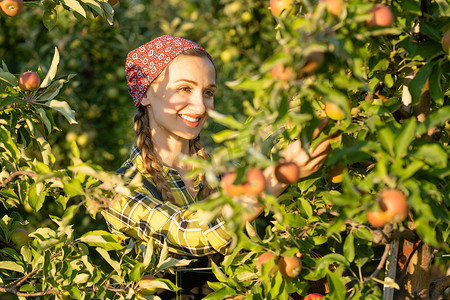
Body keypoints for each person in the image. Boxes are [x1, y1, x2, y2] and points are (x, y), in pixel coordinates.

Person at [102, 35, 331, 299]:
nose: (200, 106)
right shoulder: (118, 191)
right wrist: (280, 174)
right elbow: (192, 232)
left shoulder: (226, 174)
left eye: (208, 92)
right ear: (146, 93)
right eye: (184, 89)